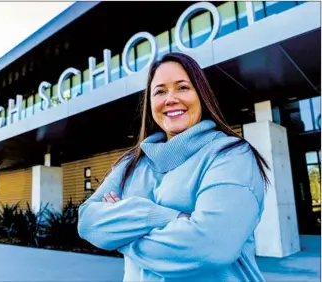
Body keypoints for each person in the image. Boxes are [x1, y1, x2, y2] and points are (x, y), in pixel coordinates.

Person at [77, 52, 270, 281]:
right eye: (160, 91)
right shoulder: (132, 162)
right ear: (150, 103)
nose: (170, 99)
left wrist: (121, 234)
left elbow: (209, 246)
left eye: (182, 87)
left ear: (202, 95)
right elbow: (88, 220)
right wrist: (161, 216)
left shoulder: (231, 155)